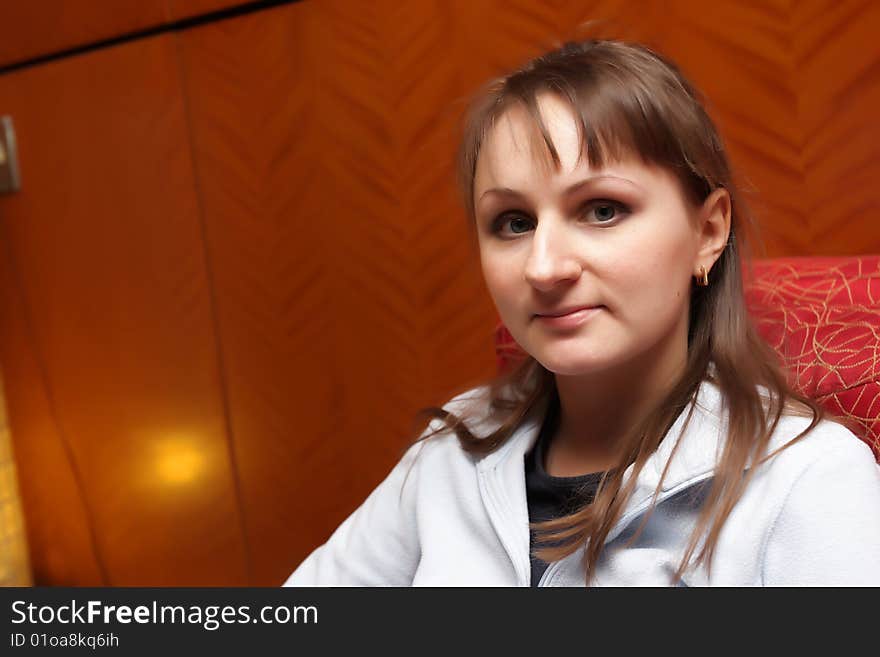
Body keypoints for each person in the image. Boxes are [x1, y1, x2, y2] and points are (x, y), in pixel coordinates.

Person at [284, 39, 880, 586]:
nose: (544, 268)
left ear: (708, 230)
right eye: (513, 223)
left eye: (601, 210)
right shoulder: (453, 449)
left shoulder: (808, 480)